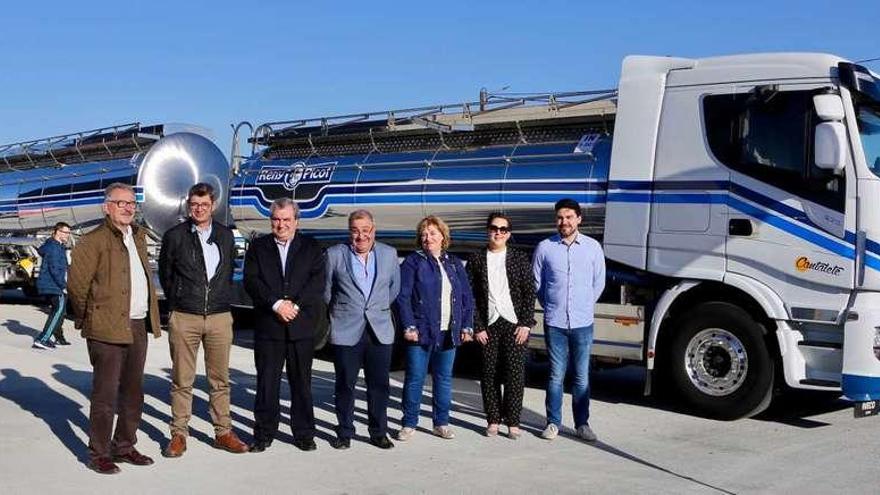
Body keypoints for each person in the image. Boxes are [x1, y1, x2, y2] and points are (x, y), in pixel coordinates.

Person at [68, 183, 162, 474]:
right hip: (106, 327)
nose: (127, 208)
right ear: (106, 206)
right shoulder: (93, 240)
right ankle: (98, 453)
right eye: (120, 203)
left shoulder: (139, 235)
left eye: (131, 203)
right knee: (105, 394)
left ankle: (124, 445)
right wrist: (90, 318)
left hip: (137, 324)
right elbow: (77, 286)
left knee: (133, 392)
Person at [158, 183, 249, 457]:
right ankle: (178, 434)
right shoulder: (175, 236)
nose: (199, 209)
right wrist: (177, 304)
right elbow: (166, 273)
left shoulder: (225, 235)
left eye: (204, 205)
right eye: (194, 205)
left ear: (213, 206)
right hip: (185, 315)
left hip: (220, 316)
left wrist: (219, 300)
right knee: (182, 379)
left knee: (220, 379)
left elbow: (229, 267)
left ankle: (223, 432)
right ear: (189, 205)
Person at [243, 198, 325, 453]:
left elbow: (317, 283)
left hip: (300, 327)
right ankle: (264, 433)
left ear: (296, 222)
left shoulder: (311, 247)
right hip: (270, 326)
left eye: (286, 220)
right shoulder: (258, 247)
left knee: (302, 383)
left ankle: (304, 434)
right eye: (277, 220)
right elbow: (252, 281)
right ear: (271, 221)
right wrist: (277, 304)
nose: (281, 225)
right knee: (267, 383)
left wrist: (295, 306)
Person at [324, 209, 400, 450]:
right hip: (346, 329)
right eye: (355, 231)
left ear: (373, 230)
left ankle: (378, 432)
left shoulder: (389, 254)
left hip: (379, 329)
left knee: (379, 384)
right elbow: (326, 292)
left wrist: (375, 309)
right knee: (345, 384)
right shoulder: (335, 254)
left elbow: (393, 289)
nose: (361, 236)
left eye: (365, 230)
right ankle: (345, 431)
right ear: (349, 232)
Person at [395, 215, 474, 441]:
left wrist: (467, 326)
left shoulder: (454, 263)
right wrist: (409, 325)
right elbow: (403, 297)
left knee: (443, 378)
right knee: (415, 378)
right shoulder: (413, 262)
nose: (427, 237)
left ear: (443, 236)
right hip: (420, 331)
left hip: (449, 330)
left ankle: (441, 422)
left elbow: (466, 297)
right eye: (424, 234)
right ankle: (409, 423)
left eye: (432, 233)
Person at [533, 198, 605, 442]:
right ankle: (553, 422)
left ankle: (582, 424)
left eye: (569, 217)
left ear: (579, 219)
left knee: (581, 376)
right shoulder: (545, 247)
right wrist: (553, 306)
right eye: (560, 218)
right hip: (555, 322)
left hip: (583, 323)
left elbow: (599, 283)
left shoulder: (593, 247)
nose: (564, 222)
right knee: (555, 374)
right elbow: (538, 285)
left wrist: (583, 306)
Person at [466, 212, 535, 439]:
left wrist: (526, 323)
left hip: (514, 323)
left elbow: (529, 292)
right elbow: (470, 296)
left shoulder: (518, 258)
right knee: (489, 373)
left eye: (503, 229)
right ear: (488, 231)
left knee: (515, 374)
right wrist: (477, 326)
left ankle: (513, 422)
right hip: (488, 325)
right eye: (494, 228)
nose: (498, 232)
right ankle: (493, 420)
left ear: (509, 234)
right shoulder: (476, 259)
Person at [33, 222, 72, 349]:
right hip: (54, 285)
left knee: (57, 312)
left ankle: (52, 337)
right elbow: (56, 269)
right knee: (57, 312)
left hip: (51, 284)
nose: (68, 235)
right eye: (66, 233)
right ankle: (42, 339)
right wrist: (63, 286)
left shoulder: (53, 245)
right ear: (58, 232)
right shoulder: (54, 248)